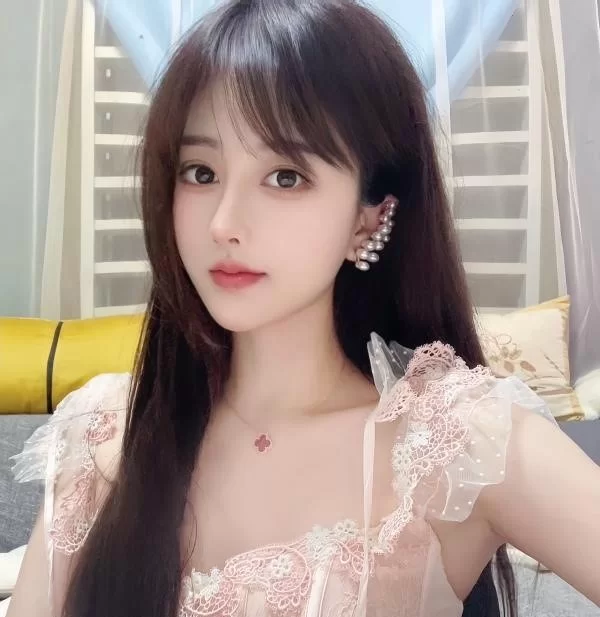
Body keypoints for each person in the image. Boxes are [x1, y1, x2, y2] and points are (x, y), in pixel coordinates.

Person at [8, 1, 600, 616]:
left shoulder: (453, 444)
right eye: (201, 172)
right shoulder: (102, 436)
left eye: (285, 177)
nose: (224, 223)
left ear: (369, 218)